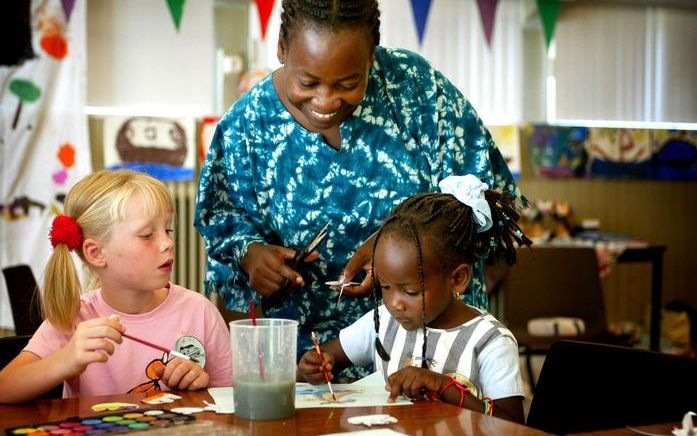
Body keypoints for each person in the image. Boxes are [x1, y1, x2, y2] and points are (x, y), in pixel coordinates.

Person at [194, 0, 524, 371]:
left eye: (348, 84)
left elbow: (485, 202)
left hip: (432, 351)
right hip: (315, 364)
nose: (326, 100)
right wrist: (251, 253)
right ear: (282, 49)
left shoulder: (415, 90)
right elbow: (222, 221)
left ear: (371, 56)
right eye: (308, 82)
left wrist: (397, 244)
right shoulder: (246, 126)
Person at [298, 175, 531, 423]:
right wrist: (317, 365)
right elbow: (328, 358)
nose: (394, 303)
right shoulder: (384, 323)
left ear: (458, 278)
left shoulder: (490, 342)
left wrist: (444, 387)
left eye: (409, 291)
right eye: (385, 286)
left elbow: (512, 425)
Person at [0, 170, 232, 403]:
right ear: (96, 253)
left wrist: (202, 387)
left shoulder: (200, 312)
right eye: (147, 235)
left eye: (168, 230)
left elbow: (233, 400)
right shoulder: (74, 317)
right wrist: (65, 360)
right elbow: (4, 387)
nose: (168, 243)